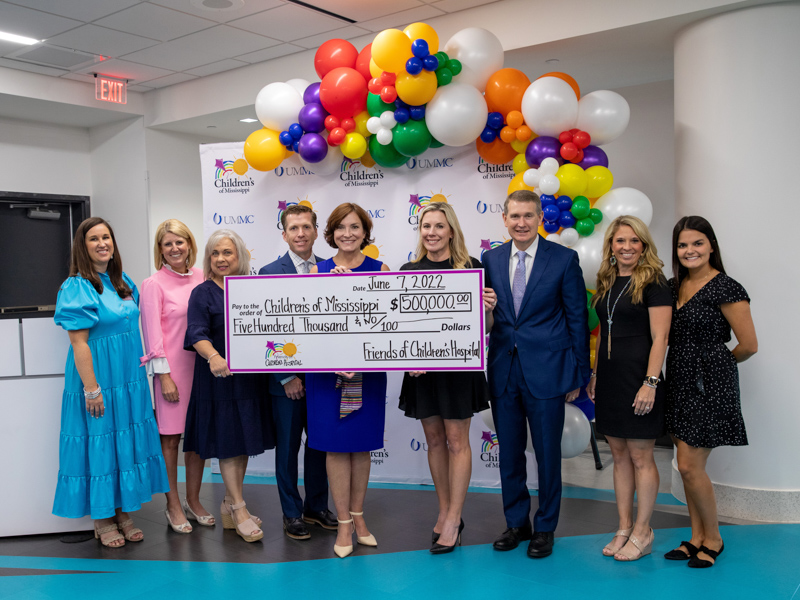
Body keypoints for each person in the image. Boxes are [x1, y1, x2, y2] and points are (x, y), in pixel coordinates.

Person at [482, 189, 589, 558]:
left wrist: (579, 374)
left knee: (547, 455)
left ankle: (545, 526)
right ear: (505, 219)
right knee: (509, 454)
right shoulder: (490, 259)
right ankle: (517, 523)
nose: (521, 223)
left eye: (528, 216)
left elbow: (577, 318)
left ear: (540, 218)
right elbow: (488, 315)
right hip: (503, 372)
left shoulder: (563, 259)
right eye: (515, 216)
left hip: (548, 371)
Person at [53, 217, 168, 547]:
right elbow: (78, 343)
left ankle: (121, 511)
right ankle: (102, 518)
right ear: (82, 246)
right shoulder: (77, 286)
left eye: (106, 237)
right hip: (98, 380)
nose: (102, 243)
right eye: (94, 239)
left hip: (128, 379)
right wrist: (92, 388)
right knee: (100, 441)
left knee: (122, 443)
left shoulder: (121, 281)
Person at [398, 202, 491, 553]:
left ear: (451, 230)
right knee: (435, 440)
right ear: (420, 231)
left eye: (439, 226)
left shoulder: (472, 269)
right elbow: (400, 326)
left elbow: (486, 329)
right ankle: (444, 508)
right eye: (426, 226)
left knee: (457, 441)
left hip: (459, 371)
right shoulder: (407, 270)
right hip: (422, 372)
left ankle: (454, 517)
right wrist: (409, 358)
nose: (432, 232)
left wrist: (489, 310)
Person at [664, 216, 757, 568]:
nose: (690, 250)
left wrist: (716, 366)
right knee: (686, 463)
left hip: (709, 385)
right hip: (678, 379)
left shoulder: (727, 287)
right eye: (683, 245)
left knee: (689, 466)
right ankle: (696, 536)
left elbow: (748, 345)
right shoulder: (673, 288)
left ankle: (714, 539)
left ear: (711, 246)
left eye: (697, 243)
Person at [306, 203, 390, 558]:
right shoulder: (317, 271)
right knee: (336, 446)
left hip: (367, 374)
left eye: (355, 227)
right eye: (341, 227)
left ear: (365, 232)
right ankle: (342, 522)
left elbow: (389, 323)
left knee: (361, 444)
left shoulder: (381, 269)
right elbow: (307, 324)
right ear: (331, 233)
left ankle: (359, 518)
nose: (348, 234)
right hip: (327, 376)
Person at [586, 216, 671, 561]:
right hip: (609, 379)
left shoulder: (654, 282)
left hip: (639, 379)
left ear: (644, 245)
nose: (627, 247)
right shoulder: (606, 280)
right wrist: (595, 374)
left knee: (640, 456)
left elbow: (660, 337)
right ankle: (623, 526)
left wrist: (650, 383)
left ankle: (643, 530)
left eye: (634, 241)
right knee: (619, 456)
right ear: (611, 245)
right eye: (620, 241)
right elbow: (603, 333)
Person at [183, 229, 274, 543]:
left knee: (243, 441)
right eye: (215, 254)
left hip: (249, 380)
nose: (220, 259)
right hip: (218, 380)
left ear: (240, 257)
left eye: (227, 253)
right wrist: (214, 357)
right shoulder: (202, 292)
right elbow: (196, 332)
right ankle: (238, 506)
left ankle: (228, 503)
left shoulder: (252, 288)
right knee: (228, 442)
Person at [258, 205, 336, 540]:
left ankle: (316, 507)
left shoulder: (332, 270)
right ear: (284, 234)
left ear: (316, 231)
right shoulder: (268, 272)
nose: (300, 234)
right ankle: (291, 512)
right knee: (288, 448)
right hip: (286, 381)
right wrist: (285, 377)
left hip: (323, 380)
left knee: (320, 445)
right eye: (293, 228)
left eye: (306, 227)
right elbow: (263, 329)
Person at [140, 219, 212, 534]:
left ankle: (193, 501)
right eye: (167, 243)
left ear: (189, 245)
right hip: (171, 374)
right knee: (170, 440)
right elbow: (152, 335)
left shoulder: (203, 277)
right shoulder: (153, 284)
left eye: (179, 242)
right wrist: (164, 377)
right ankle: (172, 504)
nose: (174, 248)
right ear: (160, 250)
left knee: (196, 439)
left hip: (203, 370)